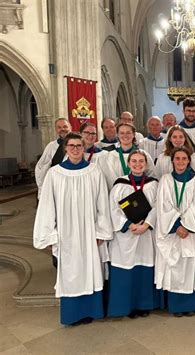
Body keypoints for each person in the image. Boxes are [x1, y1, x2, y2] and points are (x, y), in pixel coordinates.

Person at [33, 133, 113, 325]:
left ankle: (91, 311)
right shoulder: (54, 173)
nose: (76, 149)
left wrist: (101, 231)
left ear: (84, 148)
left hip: (89, 231)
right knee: (70, 272)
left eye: (79, 145)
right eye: (72, 146)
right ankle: (72, 314)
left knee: (91, 270)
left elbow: (102, 202)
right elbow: (46, 206)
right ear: (65, 148)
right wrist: (50, 234)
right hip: (66, 232)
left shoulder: (94, 171)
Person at [155, 147, 195, 316]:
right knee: (175, 268)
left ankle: (193, 305)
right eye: (177, 158)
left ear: (188, 161)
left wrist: (187, 226)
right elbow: (162, 205)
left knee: (192, 267)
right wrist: (176, 225)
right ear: (172, 161)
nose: (180, 162)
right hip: (174, 232)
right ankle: (177, 306)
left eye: (183, 159)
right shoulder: (166, 180)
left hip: (191, 233)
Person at [107, 150, 160, 318]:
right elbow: (113, 210)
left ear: (146, 164)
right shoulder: (119, 185)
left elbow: (159, 206)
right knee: (125, 271)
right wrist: (128, 225)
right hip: (125, 237)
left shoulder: (153, 184)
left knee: (144, 271)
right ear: (129, 164)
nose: (138, 164)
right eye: (134, 161)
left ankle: (143, 305)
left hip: (145, 234)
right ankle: (125, 306)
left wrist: (147, 224)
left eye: (141, 161)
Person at [103, 123, 154, 189]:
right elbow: (108, 179)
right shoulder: (110, 156)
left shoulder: (144, 155)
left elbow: (151, 175)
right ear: (117, 135)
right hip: (118, 193)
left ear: (133, 135)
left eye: (128, 133)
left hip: (140, 192)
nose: (125, 136)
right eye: (122, 133)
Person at [35, 118, 71, 199]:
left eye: (65, 126)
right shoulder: (51, 146)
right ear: (56, 130)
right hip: (56, 185)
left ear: (70, 127)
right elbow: (41, 167)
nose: (62, 129)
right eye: (59, 127)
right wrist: (42, 187)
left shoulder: (77, 144)